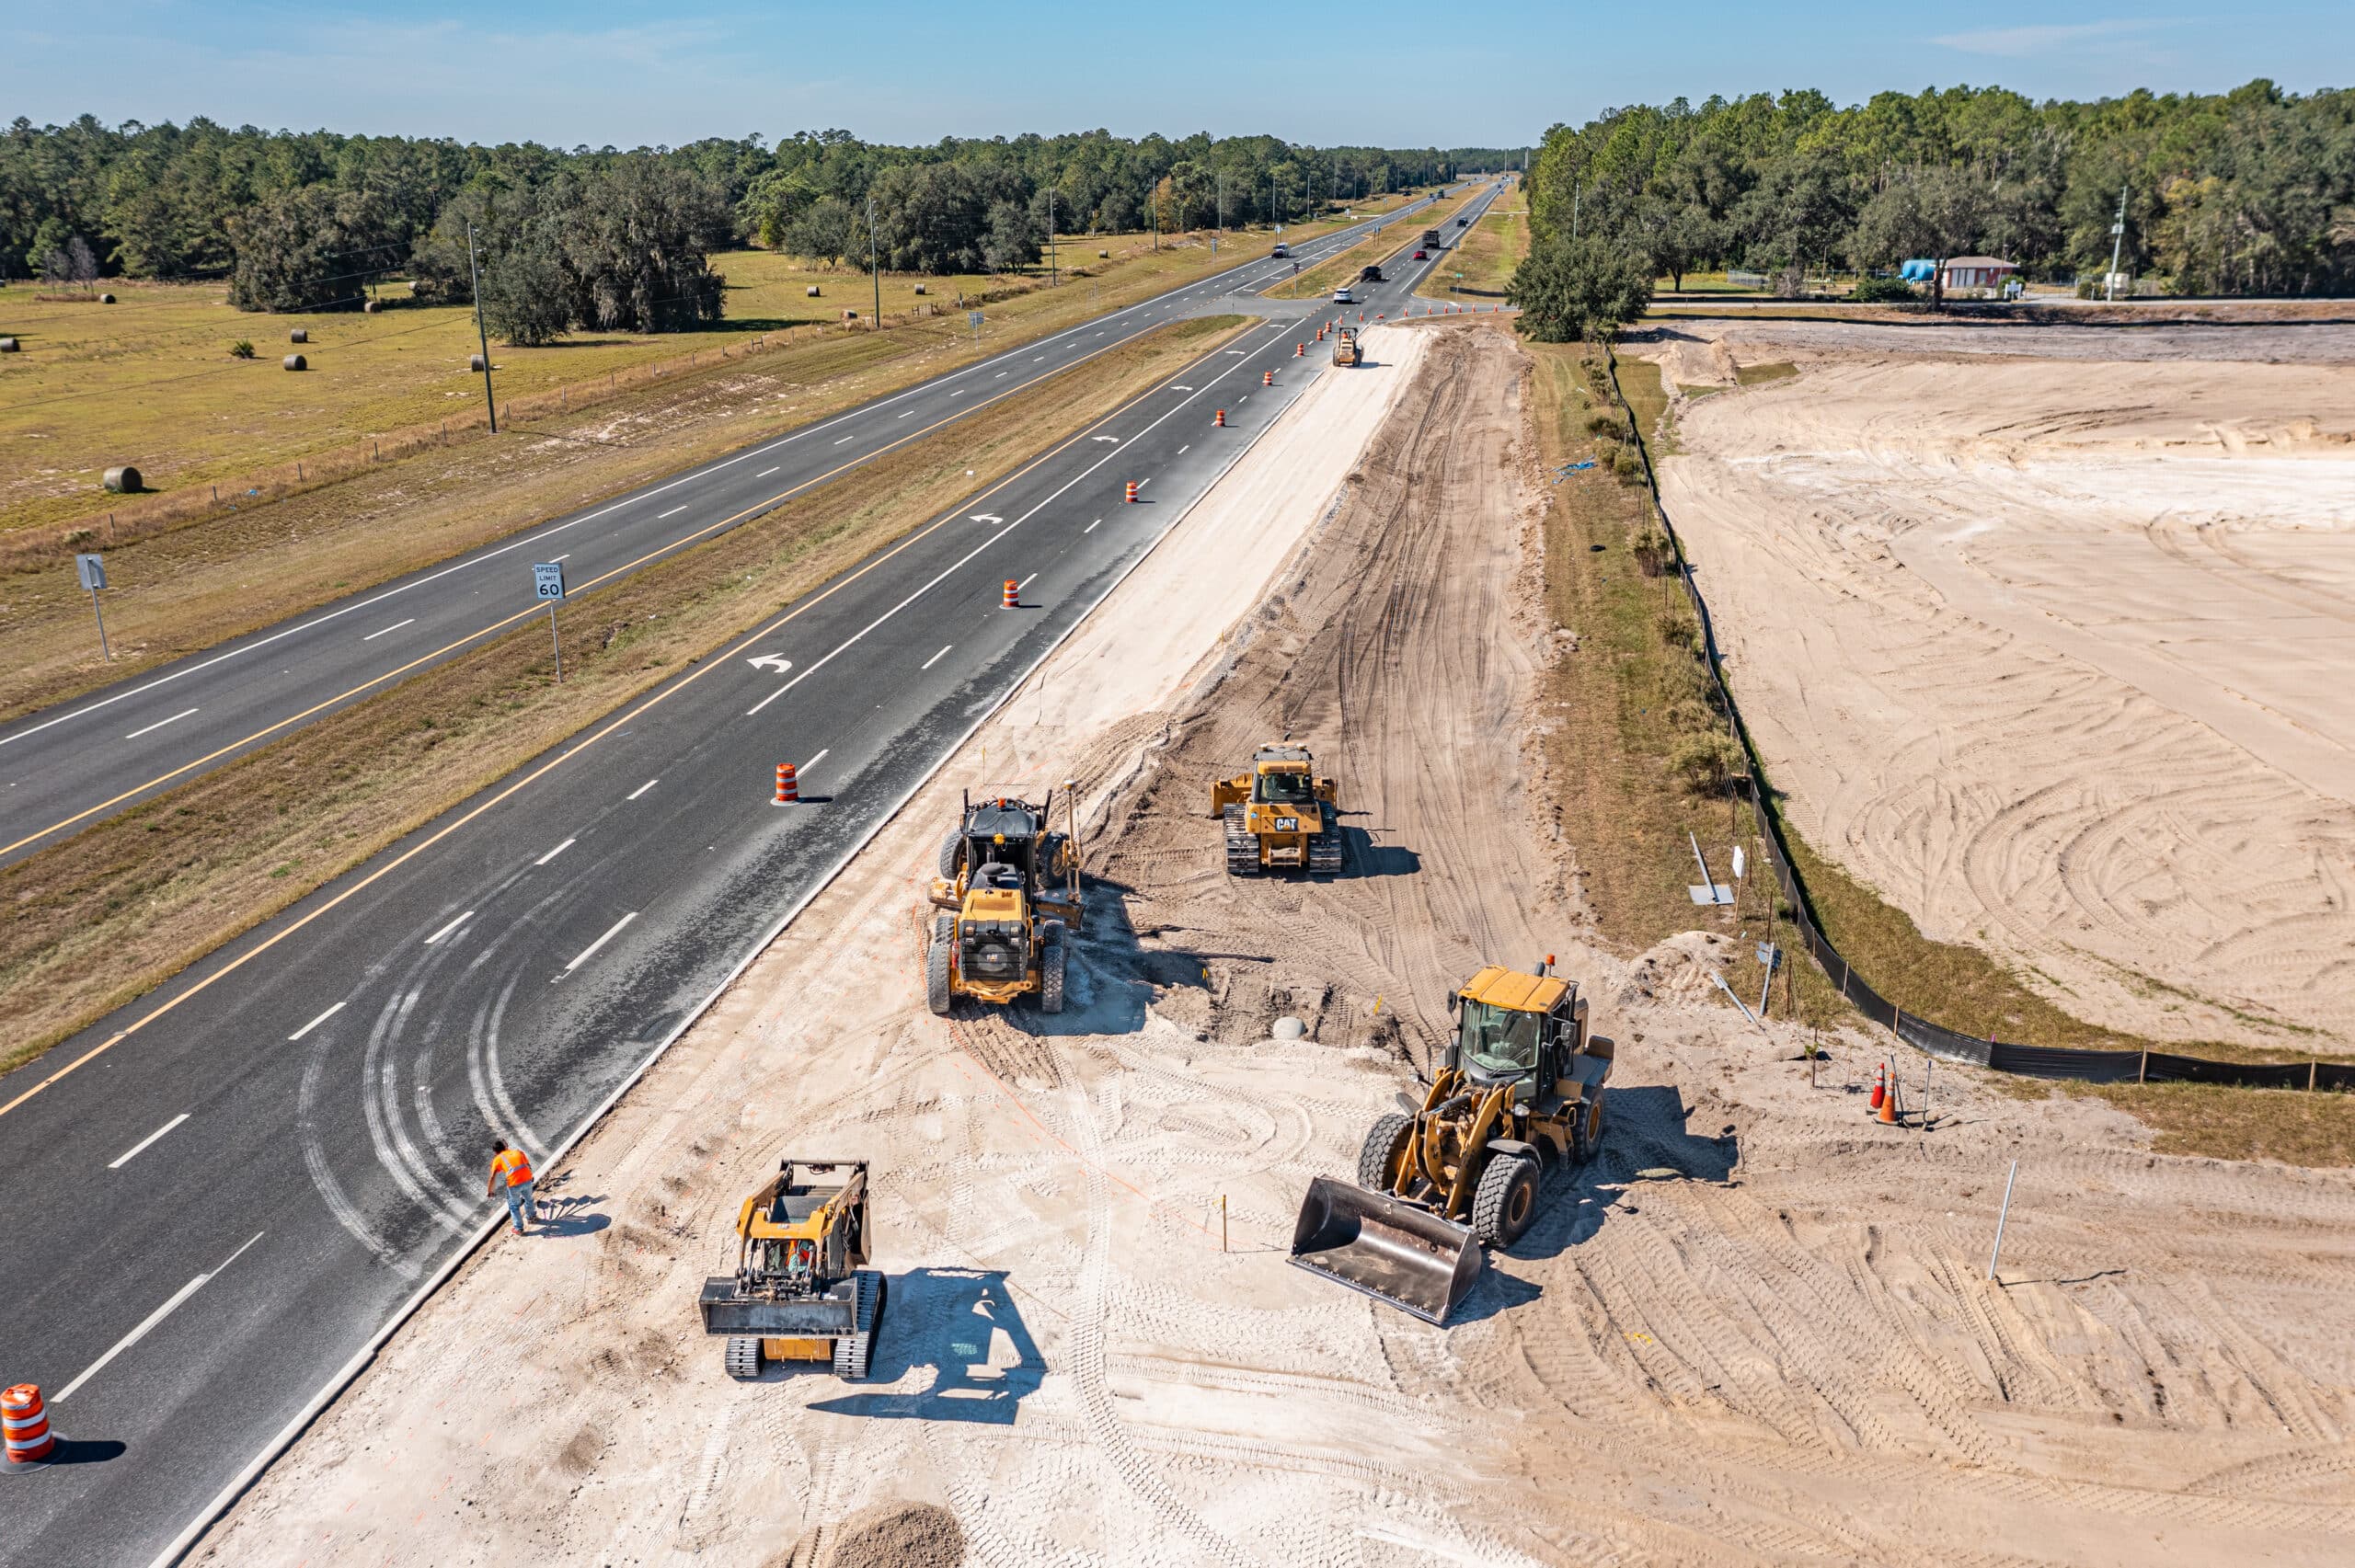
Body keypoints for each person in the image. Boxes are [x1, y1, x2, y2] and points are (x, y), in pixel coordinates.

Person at [486, 1139, 535, 1235]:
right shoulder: (518, 1151)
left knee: (514, 1206)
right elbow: (527, 1165)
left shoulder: (497, 1159)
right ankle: (532, 1217)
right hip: (527, 1179)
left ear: (495, 1152)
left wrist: (490, 1191)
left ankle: (519, 1228)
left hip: (514, 1184)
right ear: (506, 1146)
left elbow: (492, 1177)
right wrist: (530, 1176)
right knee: (529, 1199)